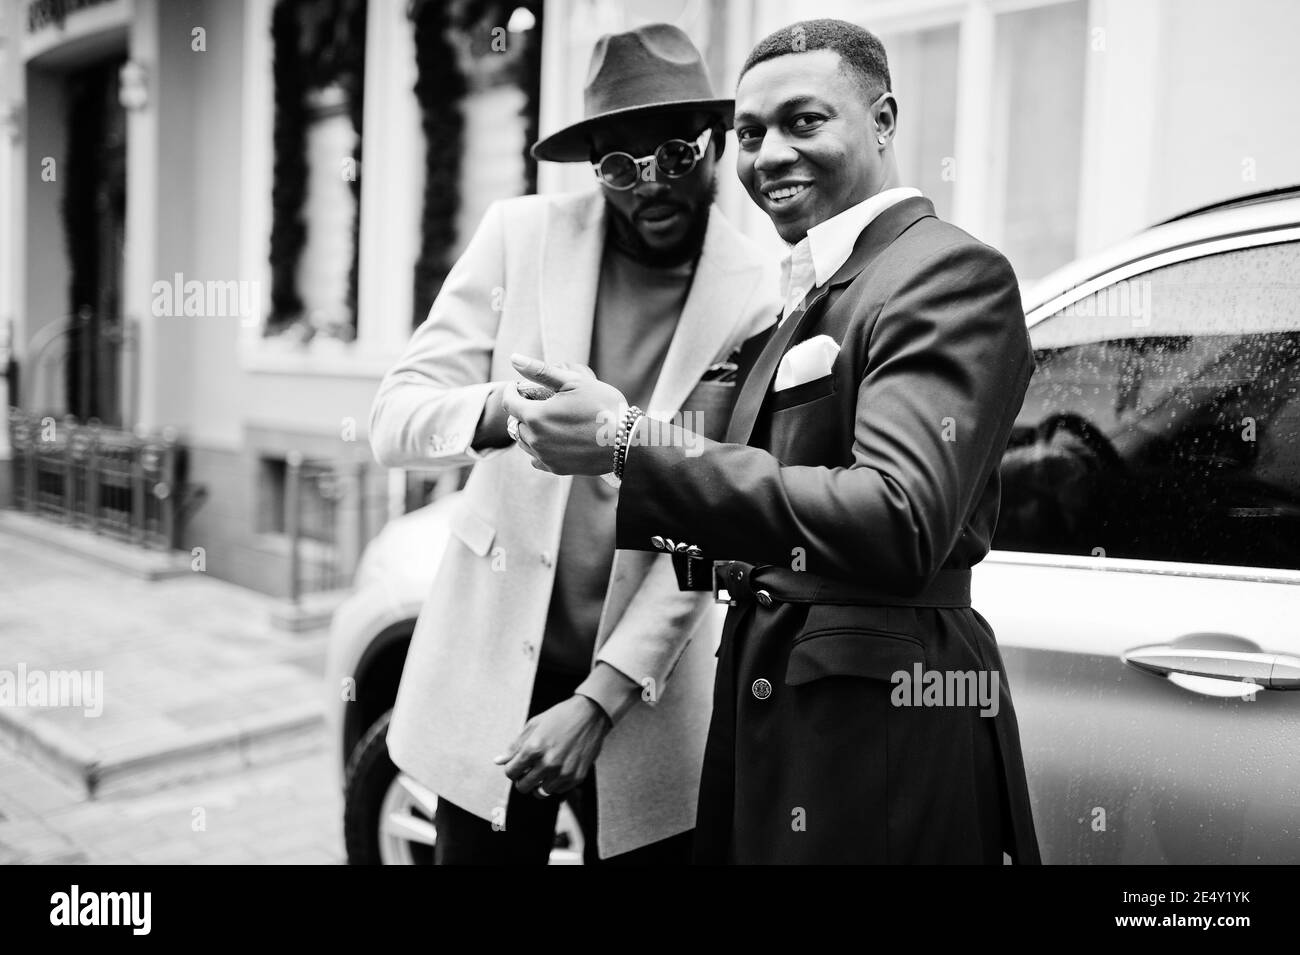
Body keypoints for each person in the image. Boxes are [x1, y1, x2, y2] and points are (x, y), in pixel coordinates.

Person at [504, 18, 1042, 864]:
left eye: (804, 121)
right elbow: (743, 476)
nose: (768, 155)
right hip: (774, 719)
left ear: (885, 121)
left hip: (881, 736)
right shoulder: (807, 291)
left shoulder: (948, 273)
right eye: (750, 134)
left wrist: (621, 436)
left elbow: (897, 516)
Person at [369, 23, 779, 864]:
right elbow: (395, 418)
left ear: (712, 144)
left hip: (646, 691)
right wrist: (510, 414)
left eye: (673, 153)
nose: (651, 185)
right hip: (489, 674)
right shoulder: (519, 237)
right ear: (593, 164)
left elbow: (711, 521)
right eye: (620, 166)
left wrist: (598, 700)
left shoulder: (757, 294)